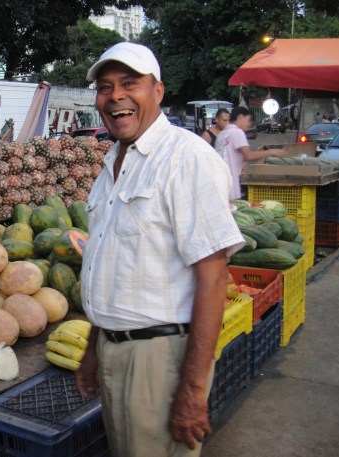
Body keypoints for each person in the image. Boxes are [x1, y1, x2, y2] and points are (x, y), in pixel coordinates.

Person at [75, 42, 245, 457]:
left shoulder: (186, 159)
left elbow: (213, 275)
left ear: (157, 91)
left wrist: (192, 389)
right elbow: (110, 265)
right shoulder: (112, 164)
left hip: (159, 359)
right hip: (117, 351)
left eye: (129, 83)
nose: (115, 95)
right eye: (105, 87)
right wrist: (94, 349)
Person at [215, 106, 287, 200]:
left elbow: (233, 156)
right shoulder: (237, 132)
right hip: (230, 183)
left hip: (219, 182)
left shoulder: (222, 134)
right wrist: (272, 152)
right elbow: (248, 155)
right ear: (240, 117)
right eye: (248, 120)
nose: (248, 124)